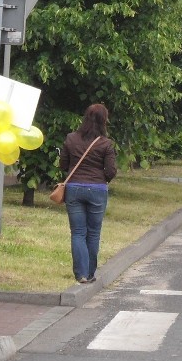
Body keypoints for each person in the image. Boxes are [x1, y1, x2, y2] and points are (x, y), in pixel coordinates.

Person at [60, 103, 117, 284]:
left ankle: (81, 274)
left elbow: (63, 165)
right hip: (97, 190)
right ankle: (91, 273)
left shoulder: (71, 138)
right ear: (103, 121)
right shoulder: (106, 143)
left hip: (74, 188)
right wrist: (102, 179)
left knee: (77, 232)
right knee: (93, 233)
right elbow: (111, 171)